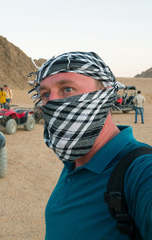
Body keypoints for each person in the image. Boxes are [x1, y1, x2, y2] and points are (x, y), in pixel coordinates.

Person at [27, 51, 152, 240]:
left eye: (67, 89)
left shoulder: (141, 171)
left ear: (105, 94)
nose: (51, 102)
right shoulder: (73, 159)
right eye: (45, 94)